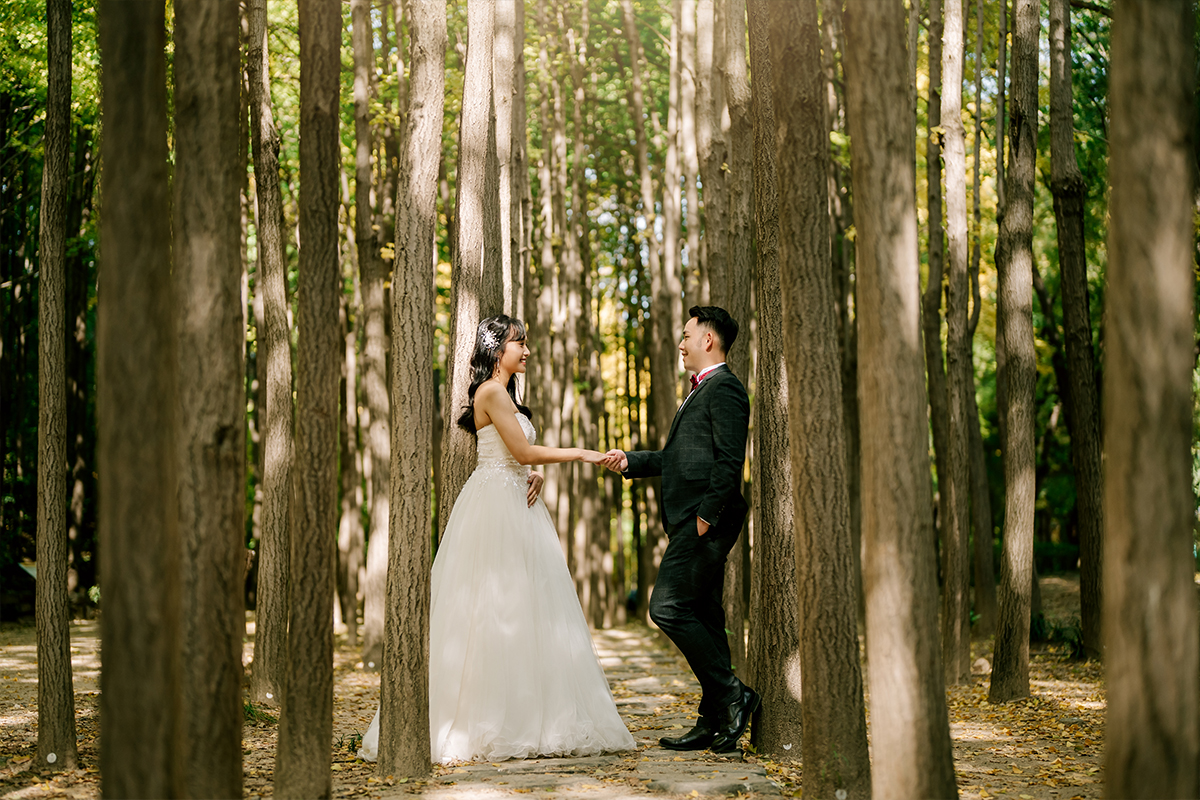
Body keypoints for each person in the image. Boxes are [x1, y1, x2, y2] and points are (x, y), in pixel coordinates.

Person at [359, 315, 635, 764]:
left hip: (516, 502)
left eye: (525, 343)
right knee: (488, 611)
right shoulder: (488, 391)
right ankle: (483, 721)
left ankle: (532, 716)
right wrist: (584, 454)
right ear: (496, 349)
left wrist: (535, 471)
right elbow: (521, 450)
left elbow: (520, 456)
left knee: (526, 609)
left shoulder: (505, 395)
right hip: (493, 507)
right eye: (518, 343)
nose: (525, 350)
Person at [601, 306, 756, 754]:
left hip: (704, 522)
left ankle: (733, 694)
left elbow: (729, 461)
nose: (682, 342)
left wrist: (706, 517)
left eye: (687, 335)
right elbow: (683, 459)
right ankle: (714, 719)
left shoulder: (725, 388)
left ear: (708, 340)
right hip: (693, 519)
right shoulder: (699, 390)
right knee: (706, 615)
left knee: (666, 606)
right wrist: (633, 461)